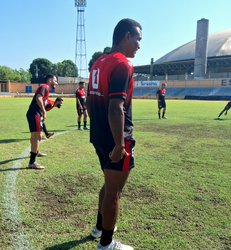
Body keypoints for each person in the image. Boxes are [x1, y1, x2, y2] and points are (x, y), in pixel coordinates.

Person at [87, 18, 141, 250]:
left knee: (110, 186)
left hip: (99, 135)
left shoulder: (99, 62)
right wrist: (119, 144)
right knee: (115, 191)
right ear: (127, 36)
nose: (139, 45)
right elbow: (115, 107)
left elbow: (90, 101)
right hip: (116, 138)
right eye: (138, 39)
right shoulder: (122, 64)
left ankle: (100, 227)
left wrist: (98, 128)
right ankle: (106, 244)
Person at [26, 74, 63, 169]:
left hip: (34, 114)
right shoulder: (44, 86)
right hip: (35, 114)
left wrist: (55, 104)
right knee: (37, 136)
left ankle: (36, 152)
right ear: (50, 80)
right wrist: (43, 112)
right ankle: (32, 162)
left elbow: (45, 105)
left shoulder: (47, 91)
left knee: (36, 136)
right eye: (55, 80)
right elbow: (38, 99)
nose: (56, 82)